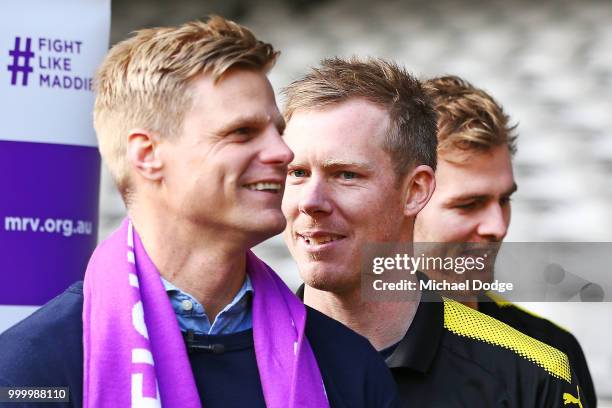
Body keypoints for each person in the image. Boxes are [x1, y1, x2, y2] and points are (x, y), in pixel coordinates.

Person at [0, 17, 398, 408]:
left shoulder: (349, 366)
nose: (282, 153)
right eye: (242, 132)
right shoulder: (31, 370)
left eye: (277, 131)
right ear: (148, 155)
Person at [282, 57, 586, 407]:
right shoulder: (226, 352)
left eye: (346, 174)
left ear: (415, 191)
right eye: (297, 173)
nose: (497, 227)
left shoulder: (535, 368)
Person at [414, 74, 596, 407]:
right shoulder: (333, 343)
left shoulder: (553, 353)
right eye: (468, 204)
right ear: (406, 200)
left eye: (504, 200)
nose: (498, 227)